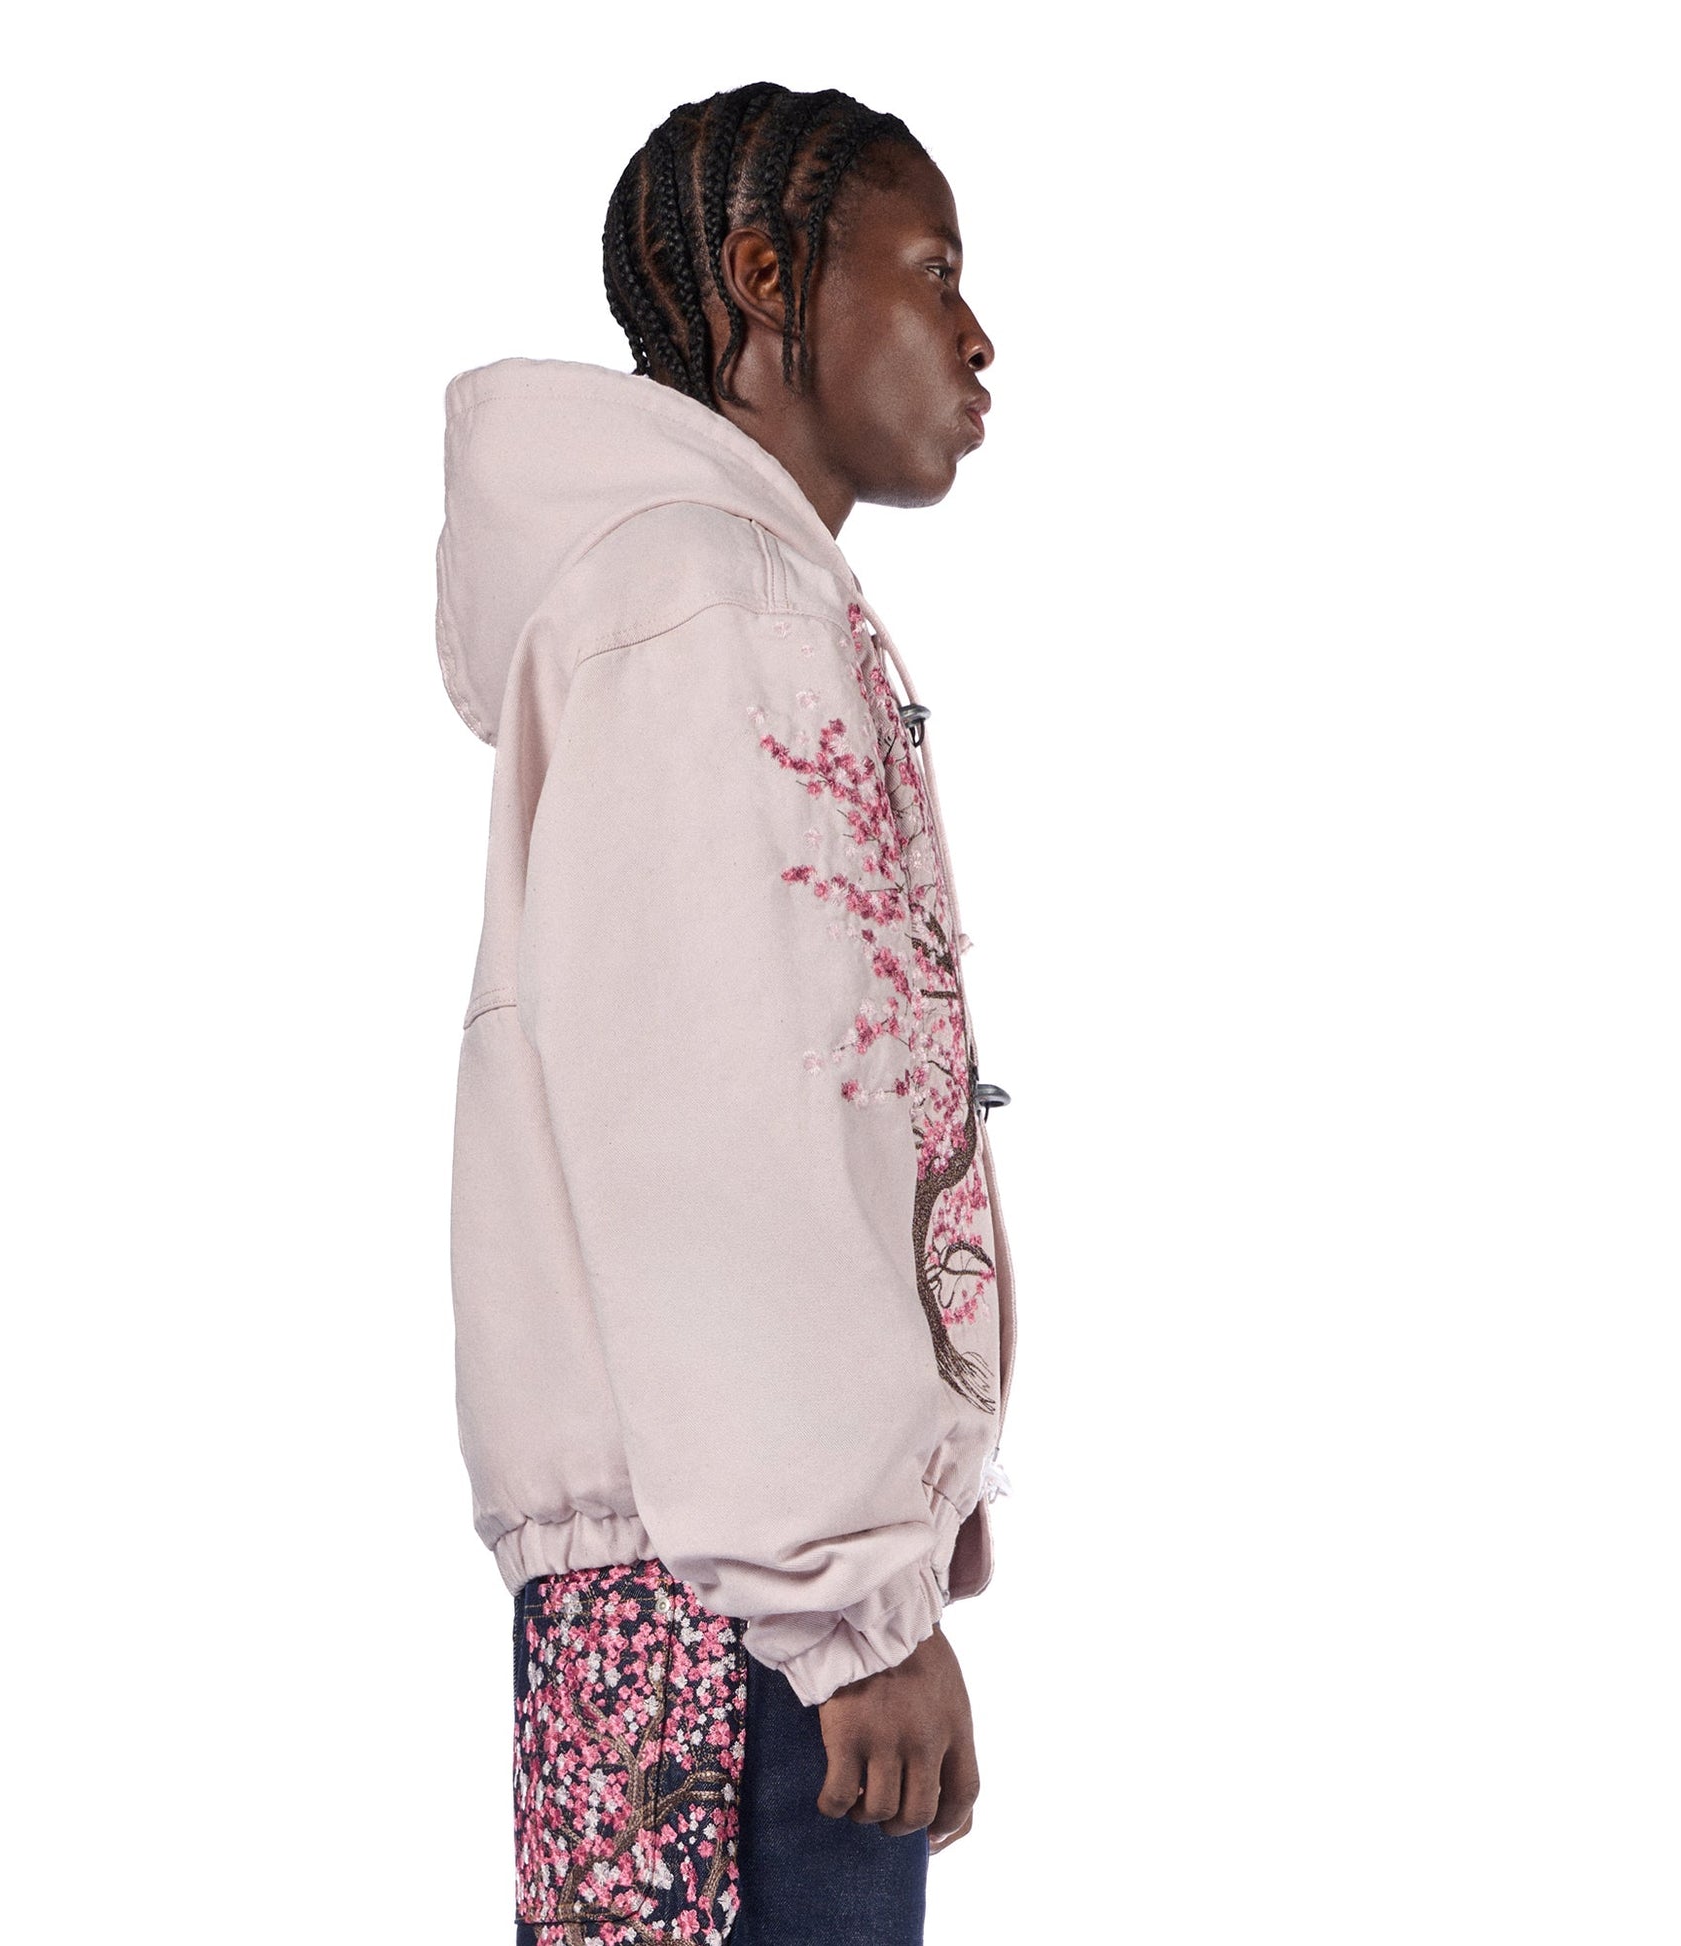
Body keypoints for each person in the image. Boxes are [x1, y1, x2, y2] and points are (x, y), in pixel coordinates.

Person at [433, 80, 1019, 1944]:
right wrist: (853, 1607)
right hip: (742, 1621)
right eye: (930, 271)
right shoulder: (711, 601)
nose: (976, 335)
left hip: (671, 1589)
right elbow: (722, 1128)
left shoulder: (682, 596)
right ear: (766, 280)